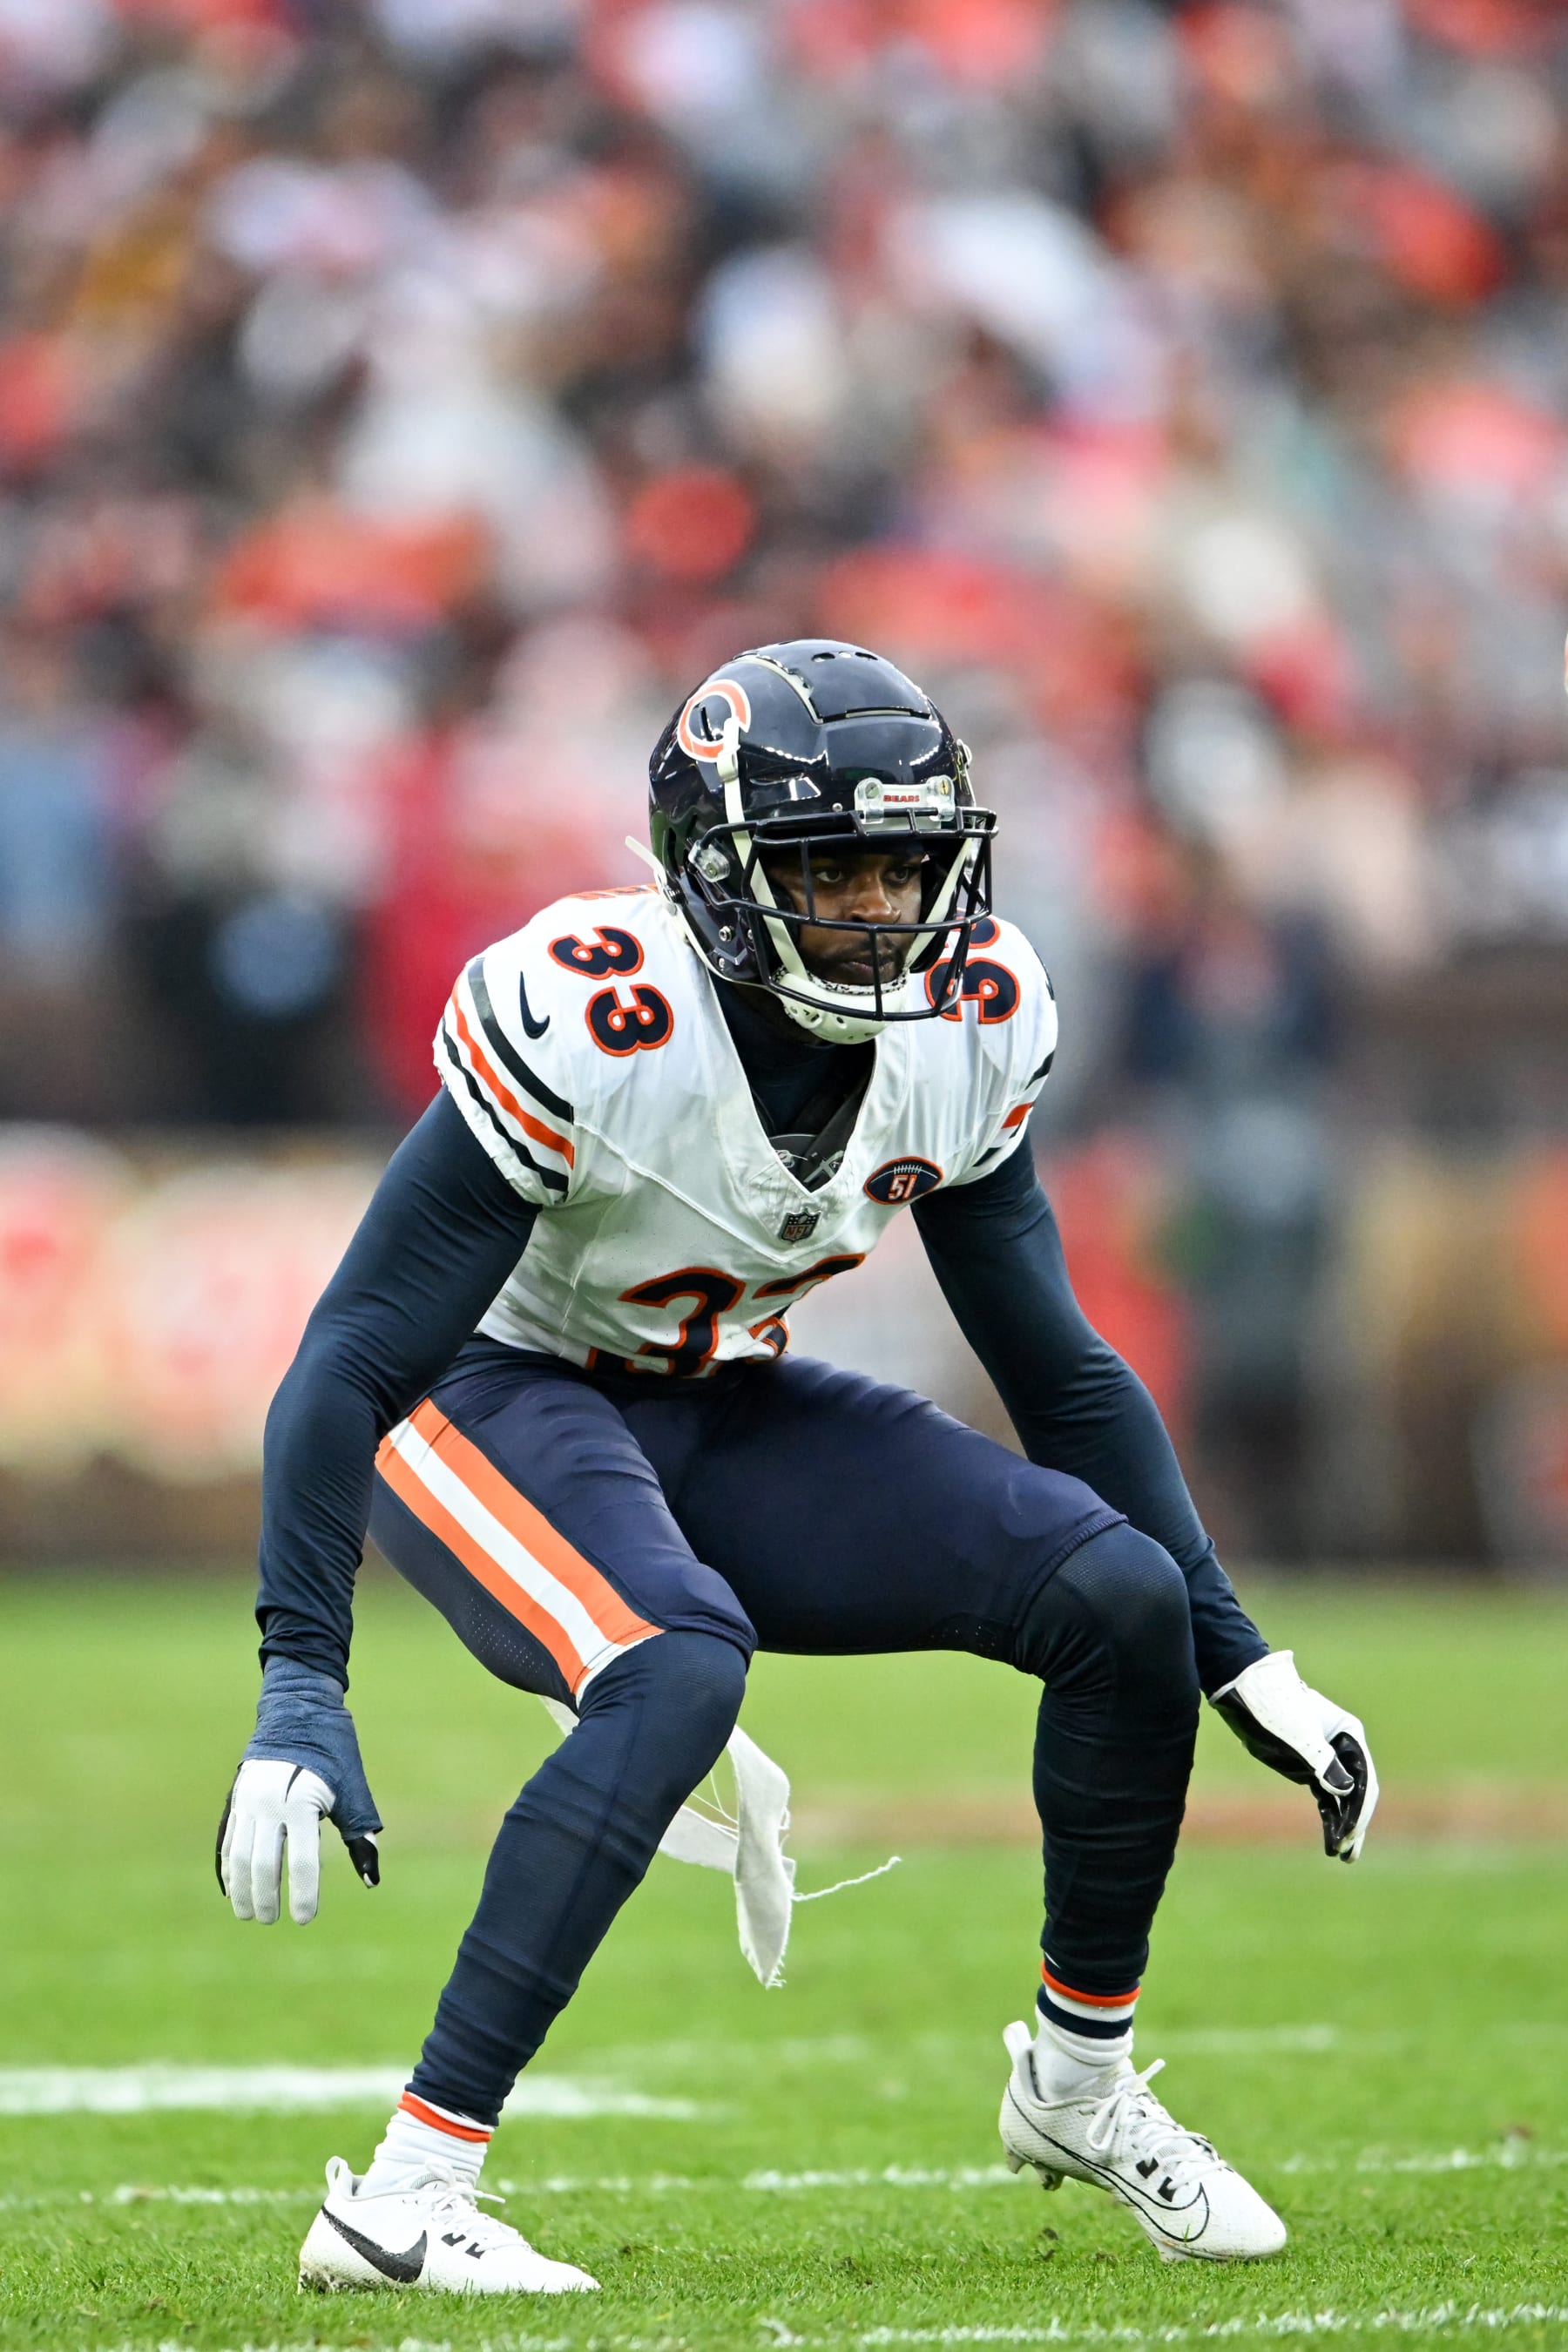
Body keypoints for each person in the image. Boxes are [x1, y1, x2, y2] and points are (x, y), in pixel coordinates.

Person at [217, 640, 1377, 2295]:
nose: (886, 906)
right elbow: (350, 1356)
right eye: (836, 868)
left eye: (912, 863)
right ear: (715, 876)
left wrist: (1236, 1647)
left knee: (1121, 1601)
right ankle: (404, 2194)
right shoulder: (602, 1015)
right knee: (678, 1662)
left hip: (716, 1401)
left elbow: (1059, 1364)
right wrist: (298, 1676)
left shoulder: (969, 1023)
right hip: (484, 1394)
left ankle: (1078, 2084)